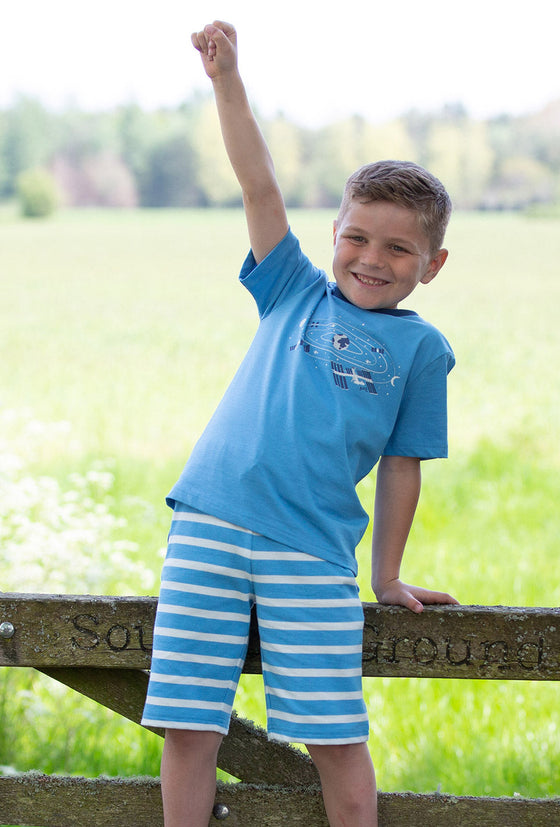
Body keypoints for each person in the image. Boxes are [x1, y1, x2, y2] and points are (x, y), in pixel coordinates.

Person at [142, 20, 459, 827]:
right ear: (334, 235)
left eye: (398, 248)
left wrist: (387, 576)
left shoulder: (423, 350)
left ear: (432, 264)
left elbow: (403, 466)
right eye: (357, 236)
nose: (371, 258)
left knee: (335, 732)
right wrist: (227, 81)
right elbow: (259, 186)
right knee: (188, 723)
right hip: (210, 522)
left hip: (314, 549)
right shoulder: (292, 288)